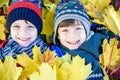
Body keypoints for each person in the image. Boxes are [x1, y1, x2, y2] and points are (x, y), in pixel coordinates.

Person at [51, 0, 108, 79]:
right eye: (65, 30)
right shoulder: (52, 55)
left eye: (78, 29)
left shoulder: (102, 46)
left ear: (87, 31)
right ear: (58, 35)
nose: (72, 36)